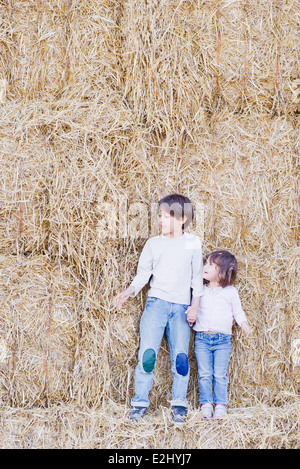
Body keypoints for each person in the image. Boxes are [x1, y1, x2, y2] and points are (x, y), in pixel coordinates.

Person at [113, 194, 203, 423]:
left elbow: (196, 280)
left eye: (166, 216)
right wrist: (127, 292)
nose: (160, 220)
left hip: (182, 308)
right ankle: (140, 402)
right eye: (160, 215)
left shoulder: (193, 243)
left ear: (182, 218)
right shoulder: (153, 244)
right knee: (147, 355)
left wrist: (195, 307)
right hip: (156, 305)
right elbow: (143, 276)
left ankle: (179, 404)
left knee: (181, 359)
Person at [187, 249, 252, 420]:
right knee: (205, 373)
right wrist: (190, 315)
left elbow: (237, 312)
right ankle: (206, 404)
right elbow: (193, 309)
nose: (205, 267)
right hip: (202, 338)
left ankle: (221, 405)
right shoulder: (200, 290)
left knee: (219, 374)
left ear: (222, 271)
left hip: (222, 340)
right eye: (205, 263)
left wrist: (244, 324)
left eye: (211, 264)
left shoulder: (230, 292)